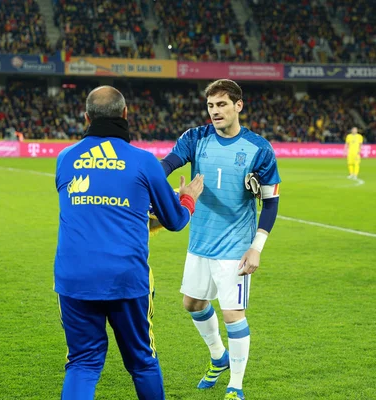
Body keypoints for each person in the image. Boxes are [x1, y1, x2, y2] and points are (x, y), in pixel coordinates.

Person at [53, 85, 205, 400]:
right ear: (125, 114)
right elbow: (175, 220)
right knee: (141, 361)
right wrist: (187, 198)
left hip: (74, 277)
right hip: (126, 279)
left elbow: (94, 210)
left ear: (86, 117)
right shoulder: (143, 161)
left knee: (82, 363)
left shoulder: (65, 159)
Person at [159, 79, 281, 400]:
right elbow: (169, 163)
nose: (215, 111)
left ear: (238, 105)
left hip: (236, 245)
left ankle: (235, 386)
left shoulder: (259, 149)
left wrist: (256, 248)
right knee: (193, 303)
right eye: (211, 106)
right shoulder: (195, 137)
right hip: (200, 239)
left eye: (222, 104)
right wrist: (153, 181)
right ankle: (218, 357)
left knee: (232, 314)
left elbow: (270, 202)